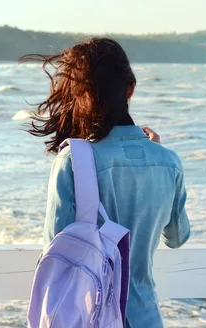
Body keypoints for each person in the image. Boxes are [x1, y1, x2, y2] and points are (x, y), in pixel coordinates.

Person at [20, 38, 191, 327]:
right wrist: (156, 154)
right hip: (147, 318)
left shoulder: (73, 162)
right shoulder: (169, 162)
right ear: (130, 88)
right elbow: (176, 238)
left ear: (78, 95)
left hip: (90, 318)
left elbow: (56, 252)